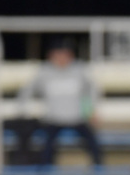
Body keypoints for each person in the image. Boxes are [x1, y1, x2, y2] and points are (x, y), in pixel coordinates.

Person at [17, 39, 103, 167]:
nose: (62, 58)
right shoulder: (44, 72)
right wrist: (24, 111)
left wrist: (91, 111)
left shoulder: (79, 71)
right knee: (47, 146)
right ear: (51, 56)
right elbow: (26, 91)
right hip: (53, 120)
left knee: (93, 143)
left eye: (65, 54)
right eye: (58, 54)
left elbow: (91, 92)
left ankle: (99, 170)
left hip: (77, 119)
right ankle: (46, 173)